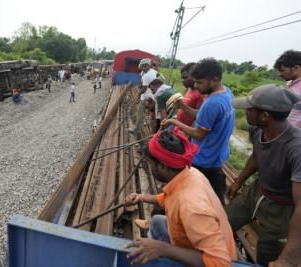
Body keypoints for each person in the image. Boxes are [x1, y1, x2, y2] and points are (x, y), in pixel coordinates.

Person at [125, 129, 237, 266]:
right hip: (195, 241)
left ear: (162, 166)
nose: (150, 167)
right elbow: (168, 197)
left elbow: (220, 262)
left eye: (151, 163)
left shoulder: (191, 207)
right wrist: (141, 197)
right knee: (157, 221)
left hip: (211, 259)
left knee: (159, 241)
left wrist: (164, 249)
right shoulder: (189, 172)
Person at [225, 84, 301, 266]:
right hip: (257, 191)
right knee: (224, 222)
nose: (246, 112)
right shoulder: (258, 129)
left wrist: (289, 258)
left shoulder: (296, 147)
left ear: (265, 115)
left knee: (268, 255)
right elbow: (257, 156)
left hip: (281, 209)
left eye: (249, 109)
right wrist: (238, 181)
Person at [161, 58, 235, 205]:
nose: (196, 86)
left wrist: (174, 121)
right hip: (217, 154)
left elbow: (199, 134)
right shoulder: (226, 92)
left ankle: (163, 212)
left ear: (213, 80)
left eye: (200, 82)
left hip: (202, 157)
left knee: (179, 189)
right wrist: (183, 106)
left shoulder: (212, 103)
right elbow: (201, 117)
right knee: (214, 191)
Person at [129, 58, 158, 138]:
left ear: (146, 66)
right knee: (151, 114)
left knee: (140, 114)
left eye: (143, 67)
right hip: (153, 97)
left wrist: (138, 94)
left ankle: (136, 130)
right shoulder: (153, 71)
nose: (142, 69)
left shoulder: (147, 75)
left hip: (146, 97)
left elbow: (144, 89)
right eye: (142, 67)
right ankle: (153, 134)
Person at [274, 50, 301, 128]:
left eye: (282, 70)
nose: (280, 75)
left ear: (296, 68)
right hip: (285, 133)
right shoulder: (290, 85)